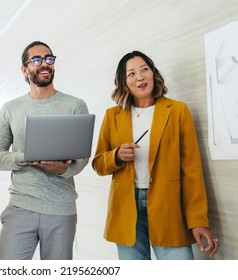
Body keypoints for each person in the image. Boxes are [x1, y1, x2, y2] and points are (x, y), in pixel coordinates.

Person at [92, 51, 219, 260]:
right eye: (131, 73)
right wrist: (116, 156)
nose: (140, 77)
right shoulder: (112, 116)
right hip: (125, 209)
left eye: (144, 70)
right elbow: (98, 164)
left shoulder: (177, 110)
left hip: (168, 208)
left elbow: (192, 170)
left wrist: (198, 220)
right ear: (124, 83)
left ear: (153, 73)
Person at [0, 41, 89, 260]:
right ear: (24, 69)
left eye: (49, 59)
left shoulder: (75, 105)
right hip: (20, 206)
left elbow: (81, 159)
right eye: (36, 60)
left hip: (61, 208)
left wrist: (63, 169)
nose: (44, 64)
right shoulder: (10, 109)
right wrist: (26, 157)